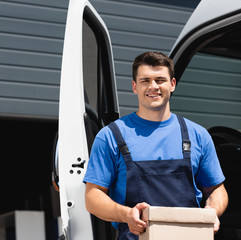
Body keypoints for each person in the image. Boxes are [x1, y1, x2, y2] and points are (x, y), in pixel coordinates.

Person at [83, 51, 228, 240]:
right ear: (135, 87)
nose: (153, 86)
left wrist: (212, 212)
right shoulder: (111, 136)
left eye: (160, 80)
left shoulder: (198, 135)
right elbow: (92, 196)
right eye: (145, 81)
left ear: (172, 84)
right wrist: (127, 215)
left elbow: (216, 189)